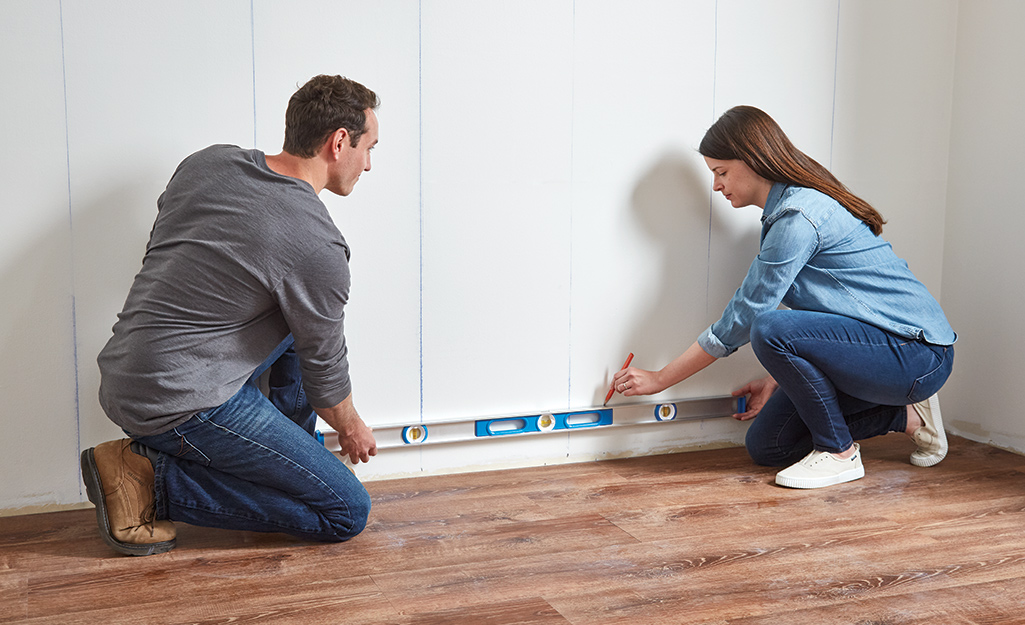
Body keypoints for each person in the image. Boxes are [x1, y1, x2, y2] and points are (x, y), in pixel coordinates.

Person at [80, 75, 381, 556]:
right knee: (345, 512)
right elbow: (325, 371)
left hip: (124, 372)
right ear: (338, 141)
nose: (369, 164)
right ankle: (146, 478)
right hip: (178, 402)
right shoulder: (318, 245)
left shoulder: (208, 163)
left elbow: (166, 250)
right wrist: (351, 426)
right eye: (369, 148)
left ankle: (289, 466)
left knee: (293, 320)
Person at [612, 105, 955, 490]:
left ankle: (839, 454)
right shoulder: (786, 214)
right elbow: (828, 316)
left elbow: (746, 317)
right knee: (769, 445)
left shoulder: (798, 216)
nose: (716, 186)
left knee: (768, 325)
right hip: (877, 350)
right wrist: (782, 376)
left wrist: (661, 378)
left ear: (753, 158)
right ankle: (909, 417)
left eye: (721, 172)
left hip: (916, 353)